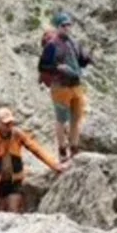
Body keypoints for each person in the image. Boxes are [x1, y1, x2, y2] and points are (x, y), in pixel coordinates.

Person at [0, 106, 66, 212]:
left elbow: (36, 149)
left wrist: (54, 165)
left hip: (15, 181)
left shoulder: (17, 135)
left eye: (11, 123)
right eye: (6, 124)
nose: (9, 126)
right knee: (2, 212)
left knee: (14, 210)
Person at [37, 12, 93, 162]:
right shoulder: (51, 45)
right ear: (58, 27)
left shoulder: (73, 43)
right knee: (61, 119)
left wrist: (87, 59)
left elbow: (80, 61)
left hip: (75, 84)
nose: (67, 28)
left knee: (76, 118)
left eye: (69, 25)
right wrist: (58, 68)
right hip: (60, 86)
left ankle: (74, 147)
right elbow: (43, 66)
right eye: (64, 25)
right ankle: (62, 149)